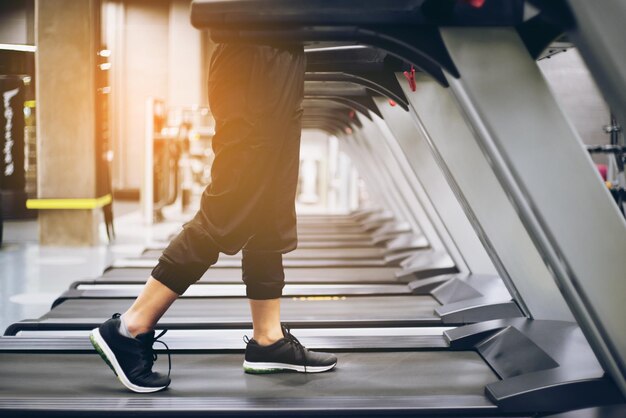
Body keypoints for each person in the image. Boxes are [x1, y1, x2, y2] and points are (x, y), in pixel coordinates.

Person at [89, 43, 337, 393]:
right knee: (231, 204)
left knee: (270, 210)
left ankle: (268, 340)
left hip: (281, 58)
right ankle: (131, 327)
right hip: (256, 55)